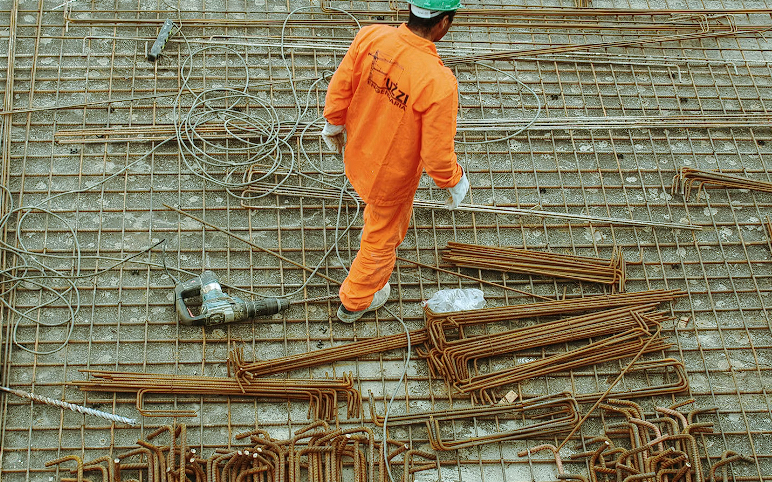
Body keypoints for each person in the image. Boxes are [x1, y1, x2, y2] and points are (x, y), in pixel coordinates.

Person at [321, 0, 469, 323]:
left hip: (358, 155)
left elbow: (341, 86)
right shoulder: (439, 83)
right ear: (444, 23)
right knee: (381, 236)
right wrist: (455, 180)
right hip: (389, 180)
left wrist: (333, 123)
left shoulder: (371, 38)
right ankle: (355, 300)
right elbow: (437, 157)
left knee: (374, 214)